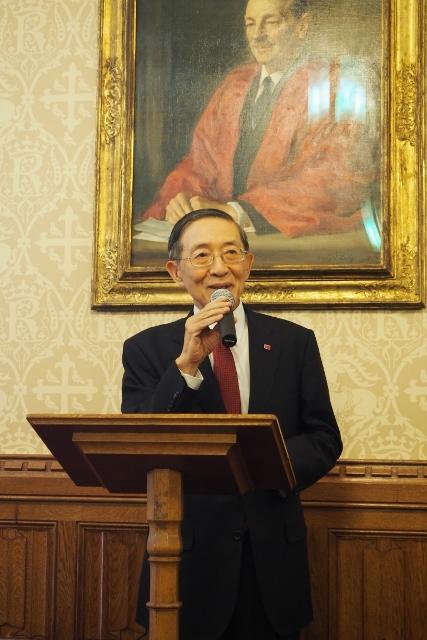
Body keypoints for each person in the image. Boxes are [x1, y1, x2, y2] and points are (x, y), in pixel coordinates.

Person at [122, 208, 342, 639]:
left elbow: (324, 437)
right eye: (202, 255)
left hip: (272, 559)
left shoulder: (294, 342)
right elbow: (143, 440)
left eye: (231, 253)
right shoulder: (147, 349)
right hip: (187, 559)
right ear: (175, 272)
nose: (220, 268)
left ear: (248, 263)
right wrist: (186, 365)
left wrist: (259, 464)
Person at [140, 0, 376, 238]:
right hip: (221, 236)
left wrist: (238, 211)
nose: (257, 35)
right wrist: (180, 200)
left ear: (302, 26)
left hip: (286, 239)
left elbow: (338, 175)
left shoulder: (330, 86)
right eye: (250, 24)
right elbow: (200, 163)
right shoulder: (235, 85)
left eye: (270, 22)